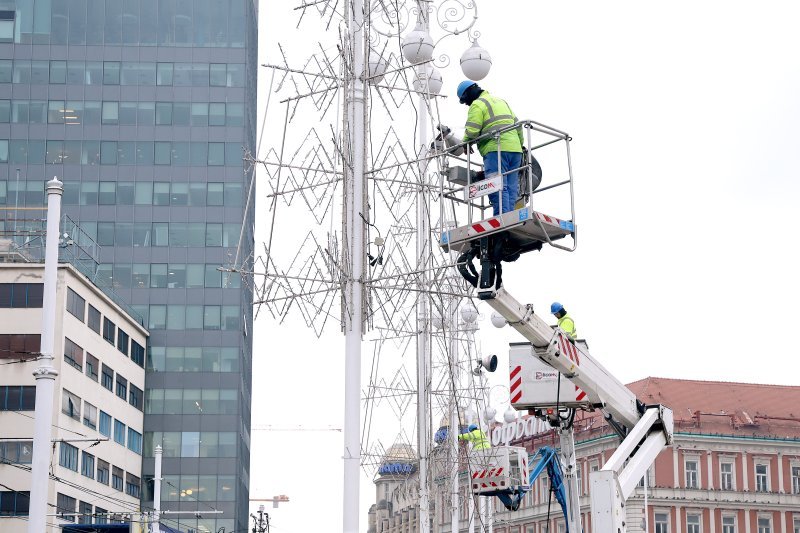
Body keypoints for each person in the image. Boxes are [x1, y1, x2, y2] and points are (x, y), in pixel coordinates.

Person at [457, 80, 524, 216]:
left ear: (469, 93)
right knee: (511, 188)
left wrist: (465, 143)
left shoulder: (477, 104)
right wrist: (520, 145)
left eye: (465, 101)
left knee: (497, 186)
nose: (467, 104)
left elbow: (472, 130)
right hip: (516, 150)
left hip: (496, 149)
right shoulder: (501, 101)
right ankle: (510, 217)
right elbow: (518, 126)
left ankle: (501, 219)